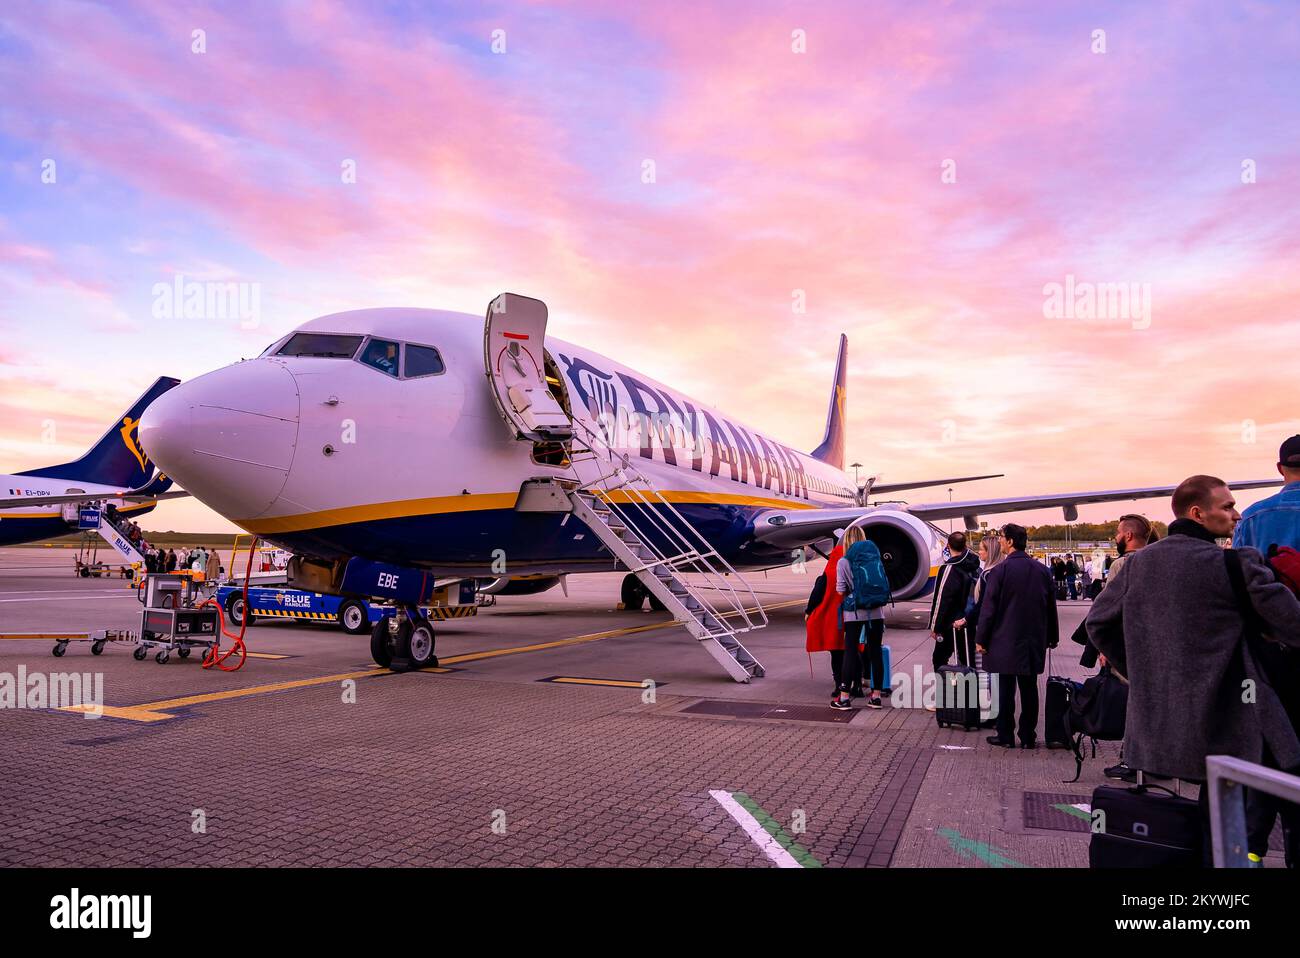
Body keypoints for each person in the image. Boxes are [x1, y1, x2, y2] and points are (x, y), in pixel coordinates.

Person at [1088, 475, 1300, 865]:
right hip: (1231, 722)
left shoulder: (1138, 565)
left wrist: (1142, 672)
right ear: (1198, 513)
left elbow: (1098, 624)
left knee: (1185, 825)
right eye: (1227, 507)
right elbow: (1294, 625)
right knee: (1230, 827)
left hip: (1163, 727)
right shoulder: (1235, 564)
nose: (1236, 515)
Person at [1232, 438, 1300, 866]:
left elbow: (1237, 585)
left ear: (1280, 468)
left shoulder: (1255, 516)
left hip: (1269, 655)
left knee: (1263, 745)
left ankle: (1251, 847)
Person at [974, 523, 1058, 748]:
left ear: (1010, 541)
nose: (999, 541)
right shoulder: (1042, 570)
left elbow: (988, 610)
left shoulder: (999, 572)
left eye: (1001, 537)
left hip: (1004, 640)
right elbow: (1050, 607)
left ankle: (1005, 735)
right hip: (1032, 640)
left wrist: (981, 639)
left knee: (1005, 690)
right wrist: (1053, 636)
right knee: (1030, 689)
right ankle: (1028, 736)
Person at [832, 526, 888, 710]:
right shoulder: (875, 557)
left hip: (854, 612)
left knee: (850, 651)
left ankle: (844, 697)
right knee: (875, 652)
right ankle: (876, 697)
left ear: (847, 540)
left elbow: (840, 590)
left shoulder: (844, 561)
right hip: (877, 611)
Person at [928, 531, 981, 676]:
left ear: (948, 545)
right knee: (968, 661)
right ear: (965, 546)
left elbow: (942, 600)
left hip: (951, 624)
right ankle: (971, 695)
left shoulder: (949, 568)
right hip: (968, 621)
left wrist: (935, 626)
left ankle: (946, 692)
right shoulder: (975, 566)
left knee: (939, 659)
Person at [805, 535, 850, 696]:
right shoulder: (853, 572)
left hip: (833, 623)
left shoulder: (826, 576)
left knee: (836, 654)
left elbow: (815, 596)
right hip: (853, 620)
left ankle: (839, 685)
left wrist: (808, 612)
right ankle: (856, 684)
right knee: (853, 653)